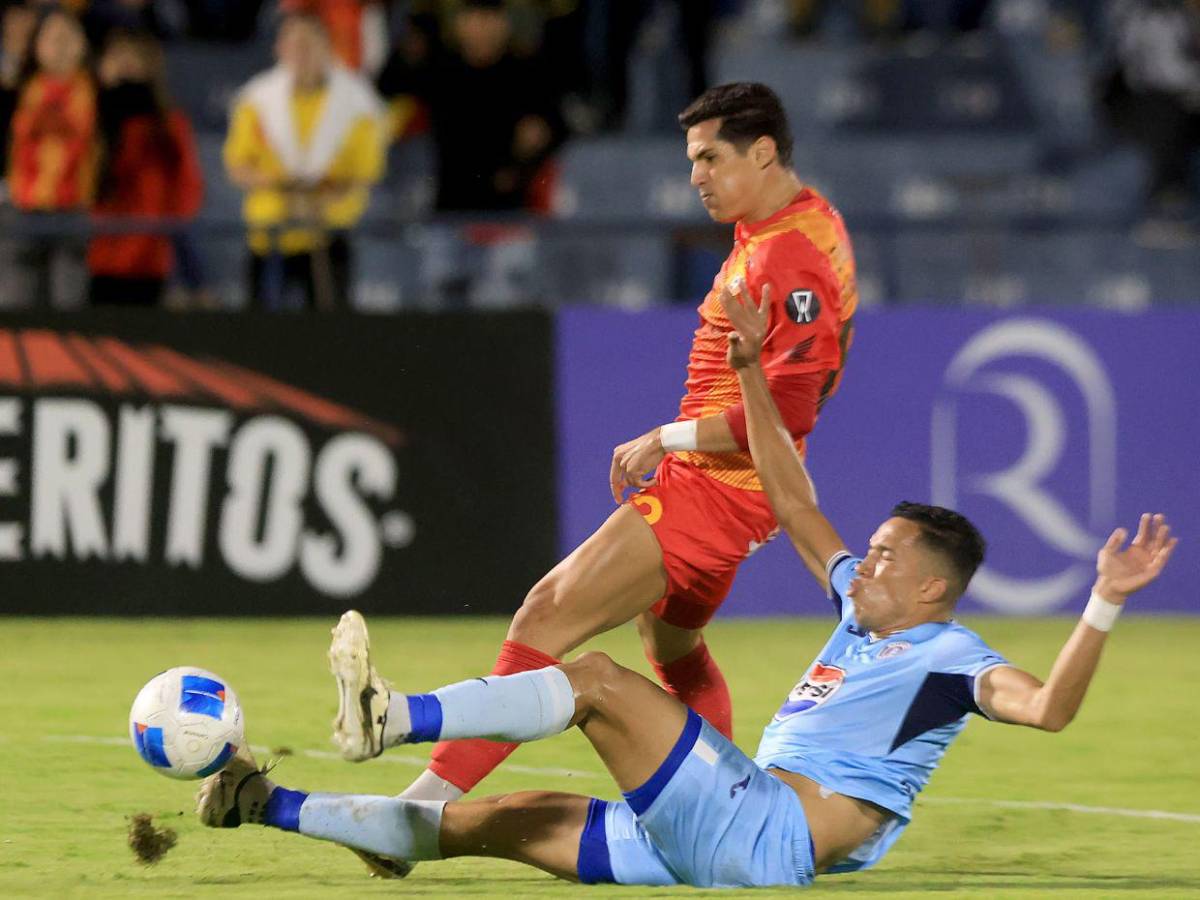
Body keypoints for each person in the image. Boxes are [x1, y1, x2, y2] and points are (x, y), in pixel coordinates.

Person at [195, 279, 1176, 887]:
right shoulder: (858, 615)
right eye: (869, 549)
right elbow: (793, 501)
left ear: (932, 589)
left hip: (765, 834)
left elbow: (1046, 710)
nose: (864, 561)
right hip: (715, 831)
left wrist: (1105, 601)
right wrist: (749, 368)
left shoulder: (949, 660)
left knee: (594, 681)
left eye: (885, 557)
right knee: (487, 824)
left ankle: (390, 717)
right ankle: (258, 802)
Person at [369, 80, 857, 845]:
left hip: (721, 488)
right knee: (672, 647)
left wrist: (669, 437)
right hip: (728, 487)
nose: (694, 175)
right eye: (692, 159)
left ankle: (417, 810)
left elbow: (787, 415)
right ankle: (728, 809)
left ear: (763, 153)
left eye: (709, 157)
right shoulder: (778, 229)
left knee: (546, 616)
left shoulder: (792, 256)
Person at [224, 11, 384, 310]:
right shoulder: (255, 100)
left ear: (328, 47)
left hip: (327, 235)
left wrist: (321, 196)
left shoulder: (359, 104)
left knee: (330, 329)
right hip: (270, 237)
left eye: (310, 43)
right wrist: (284, 186)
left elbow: (365, 172)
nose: (301, 51)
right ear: (279, 48)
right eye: (293, 42)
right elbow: (238, 166)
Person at [88, 29, 202, 306]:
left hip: (149, 252)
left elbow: (187, 183)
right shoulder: (88, 116)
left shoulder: (168, 124)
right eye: (117, 56)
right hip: (95, 249)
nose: (125, 64)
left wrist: (168, 225)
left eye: (134, 57)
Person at [1, 7, 96, 308]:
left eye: (69, 37)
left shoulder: (99, 93)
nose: (61, 46)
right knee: (17, 308)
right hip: (22, 208)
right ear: (37, 45)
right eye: (53, 38)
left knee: (68, 310)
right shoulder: (17, 91)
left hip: (74, 210)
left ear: (83, 44)